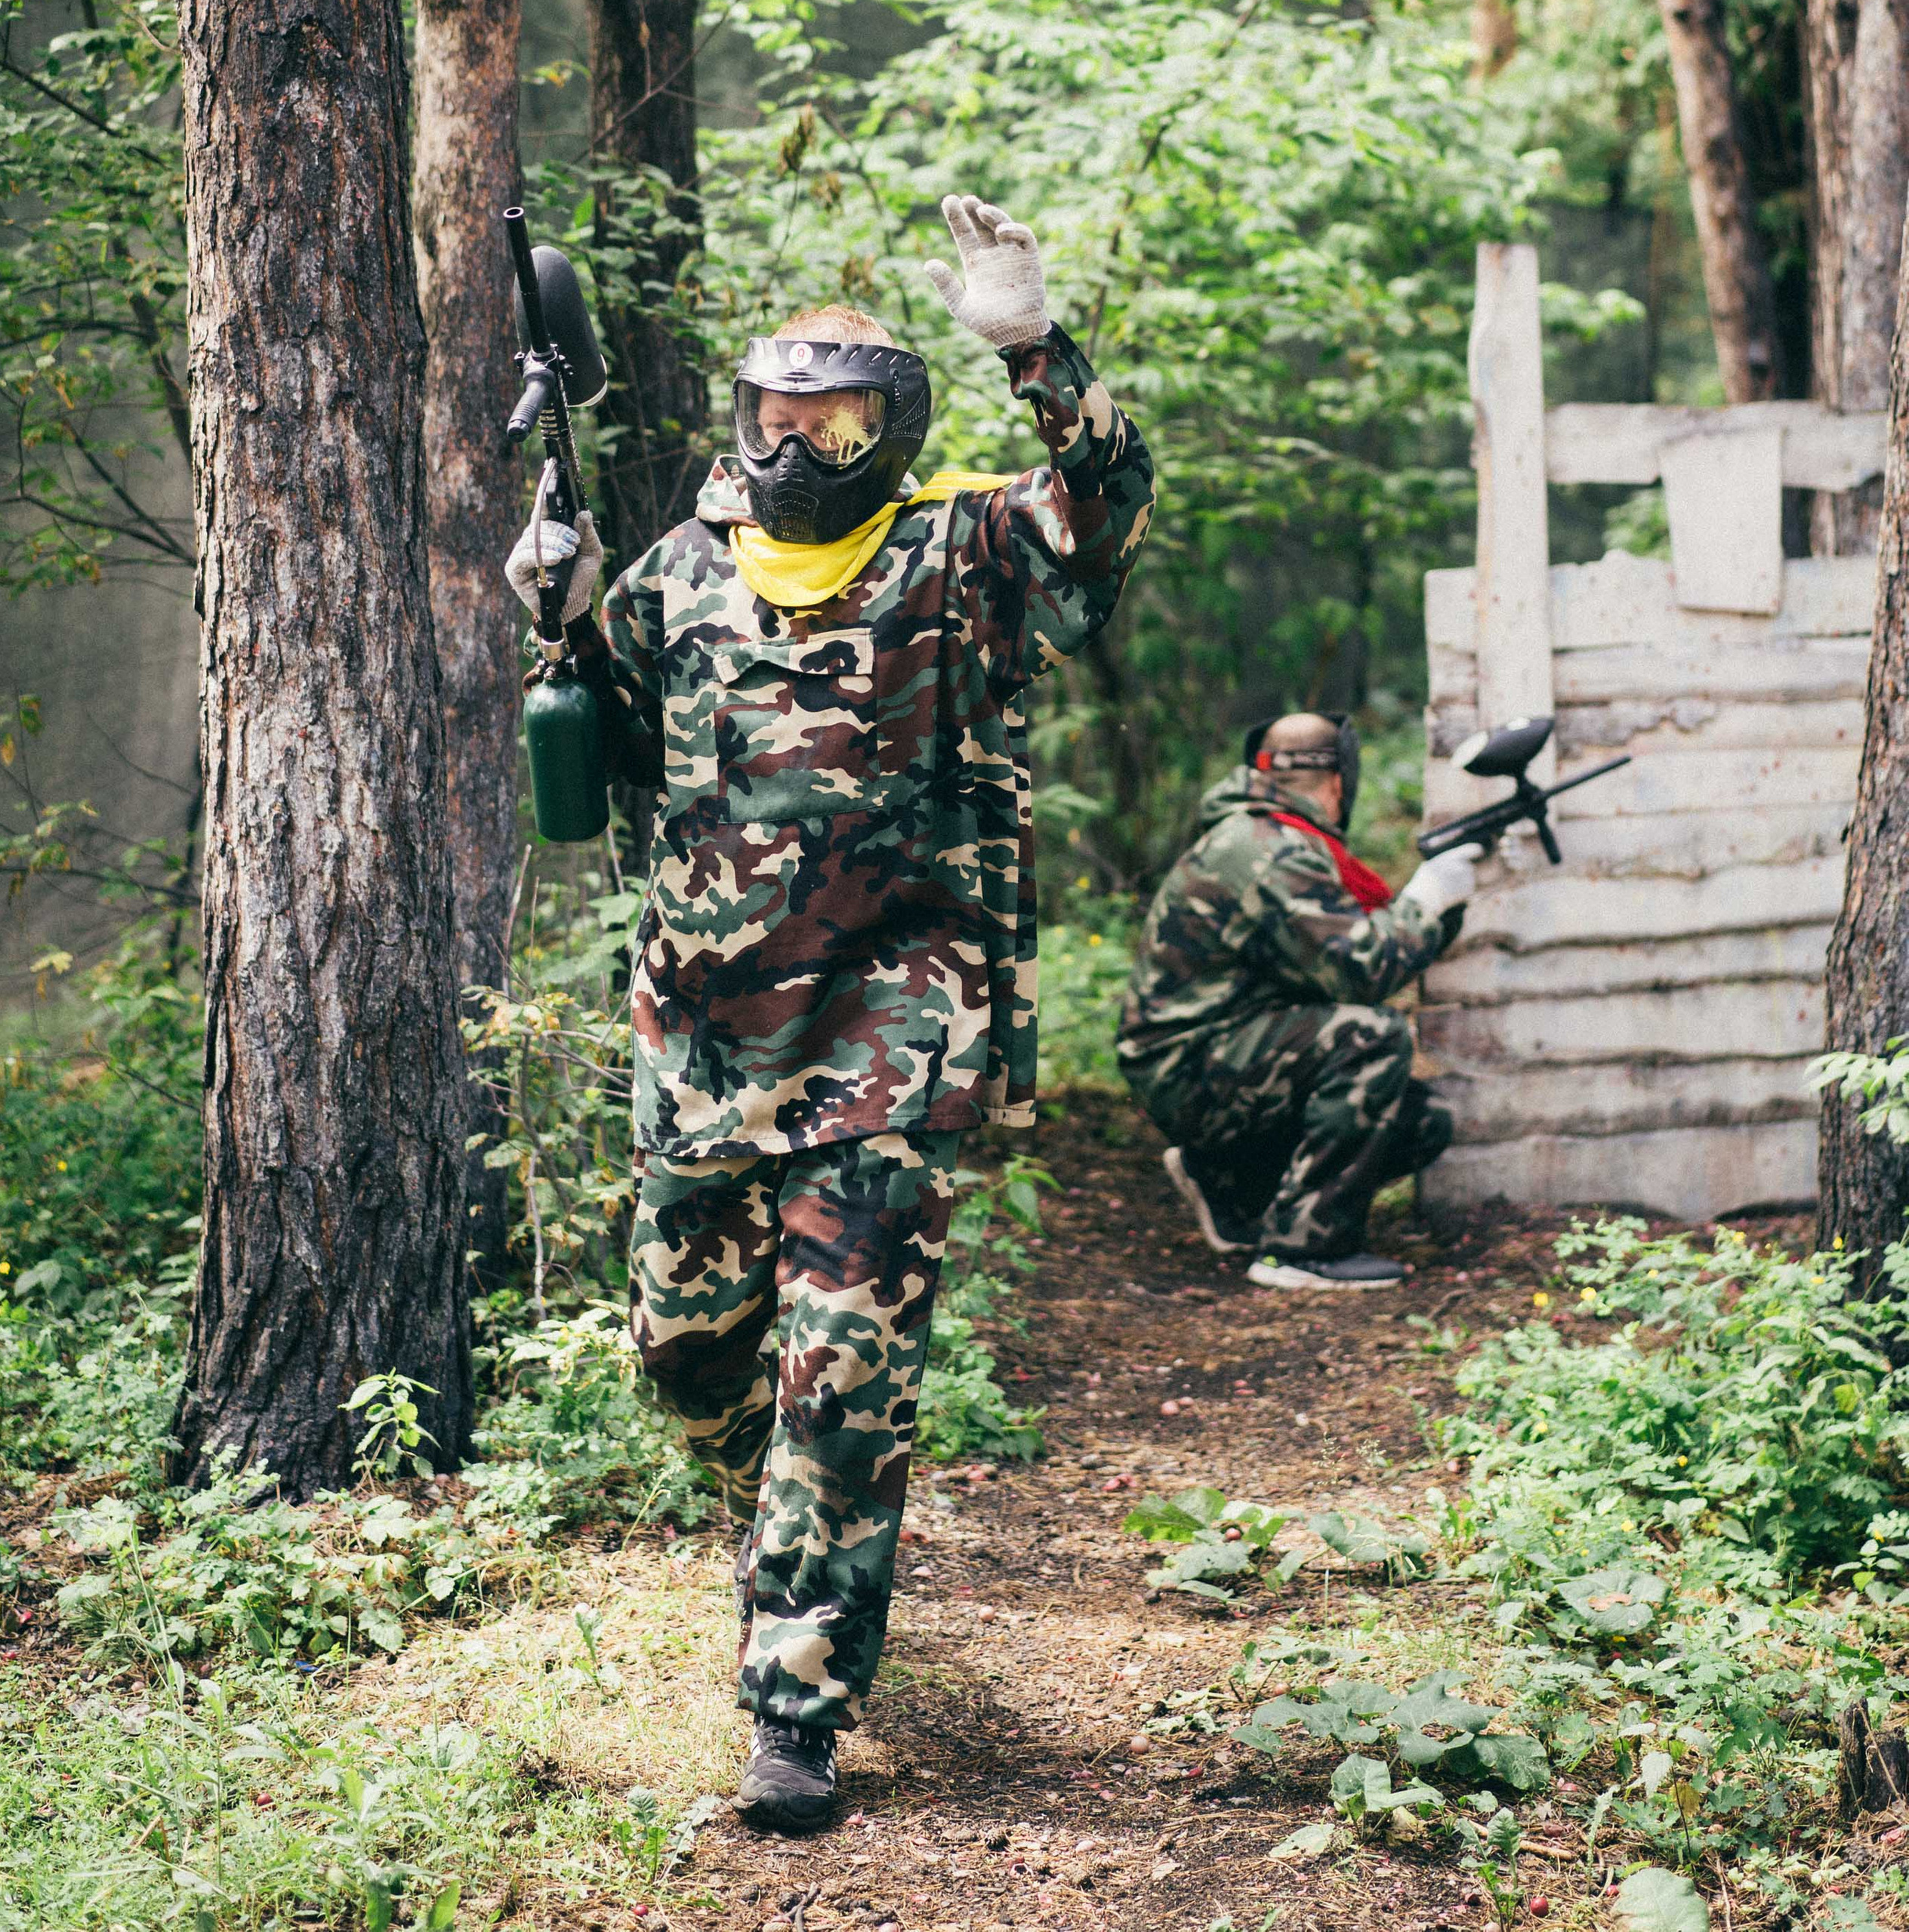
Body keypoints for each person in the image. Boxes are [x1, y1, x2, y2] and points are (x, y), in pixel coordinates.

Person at [506, 194, 1153, 1833]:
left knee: (837, 1388)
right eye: (776, 422)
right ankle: (774, 1523)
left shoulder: (965, 550)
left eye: (836, 422)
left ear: (891, 428)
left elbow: (1105, 511)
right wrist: (554, 611)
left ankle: (792, 1706)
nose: (799, 450)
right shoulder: (676, 576)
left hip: (889, 1043)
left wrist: (1032, 343)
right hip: (702, 1053)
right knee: (684, 1359)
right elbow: (606, 774)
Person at [1115, 711, 1478, 1290]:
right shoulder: (1267, 848)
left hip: (1216, 1055)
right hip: (1188, 1068)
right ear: (1338, 783)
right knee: (1371, 1035)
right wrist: (1426, 899)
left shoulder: (1268, 835)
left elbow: (1337, 963)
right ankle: (1303, 1251)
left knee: (1417, 1123)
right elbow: (1361, 973)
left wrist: (1441, 909)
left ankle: (1230, 1184)